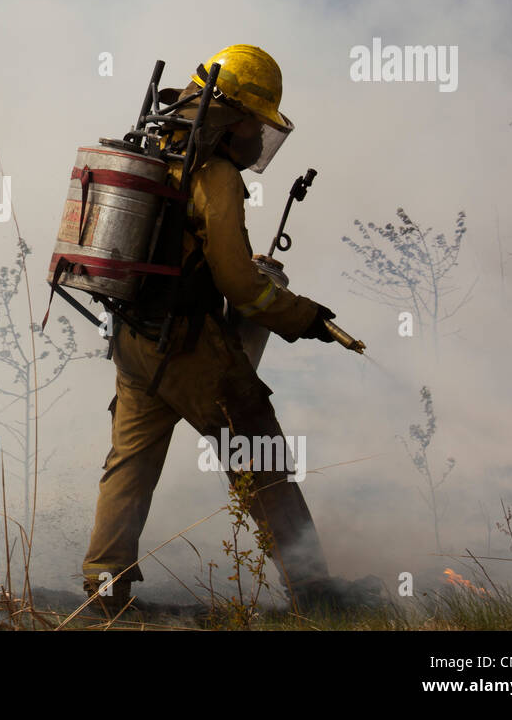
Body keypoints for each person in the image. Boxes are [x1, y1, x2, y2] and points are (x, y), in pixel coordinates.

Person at [80, 44, 375, 618]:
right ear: (231, 117)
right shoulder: (213, 174)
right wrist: (302, 315)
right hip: (191, 348)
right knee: (261, 453)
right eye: (253, 125)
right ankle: (315, 595)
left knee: (130, 461)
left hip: (136, 338)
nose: (254, 139)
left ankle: (104, 590)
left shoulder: (156, 147)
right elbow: (241, 287)